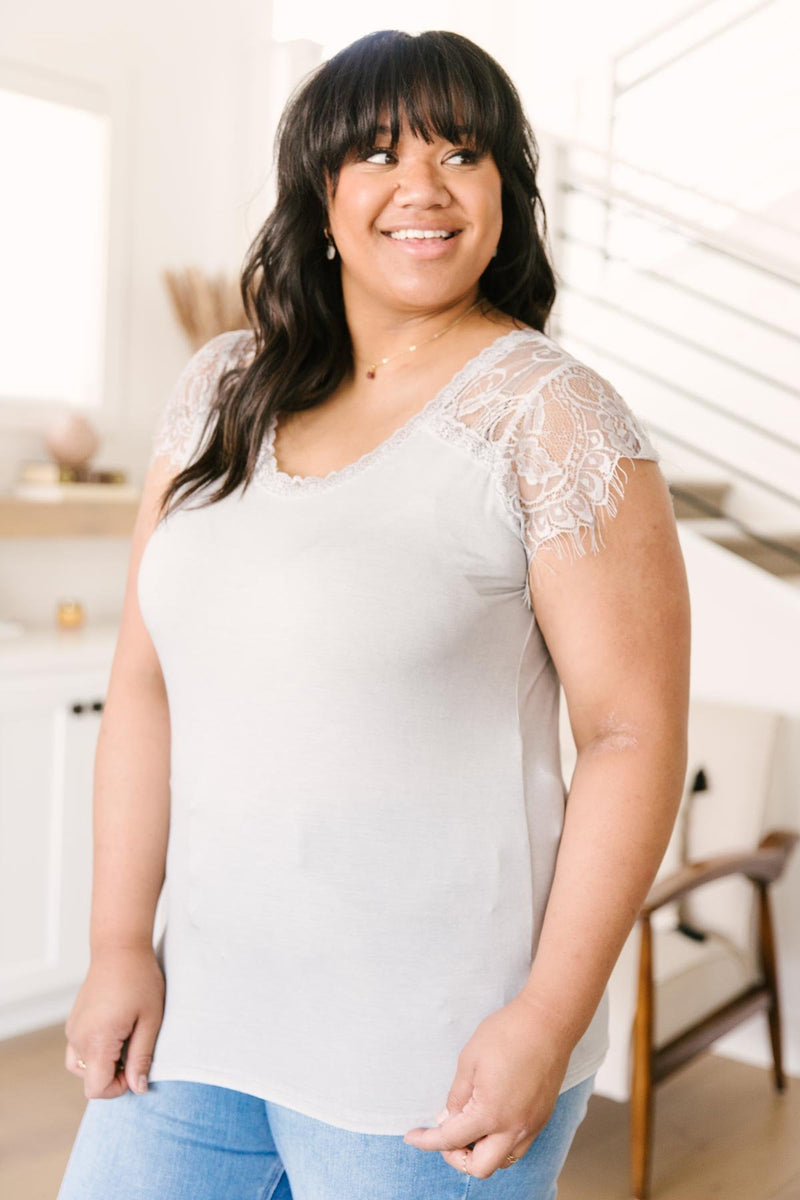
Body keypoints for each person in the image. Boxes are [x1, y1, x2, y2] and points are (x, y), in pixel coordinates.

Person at [57, 27, 690, 1200]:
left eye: (461, 153)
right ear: (322, 191)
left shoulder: (552, 415)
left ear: (505, 190)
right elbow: (145, 682)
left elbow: (629, 737)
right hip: (198, 1016)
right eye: (378, 155)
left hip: (433, 1052)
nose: (422, 188)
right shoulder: (216, 392)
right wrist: (112, 947)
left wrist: (546, 1019)